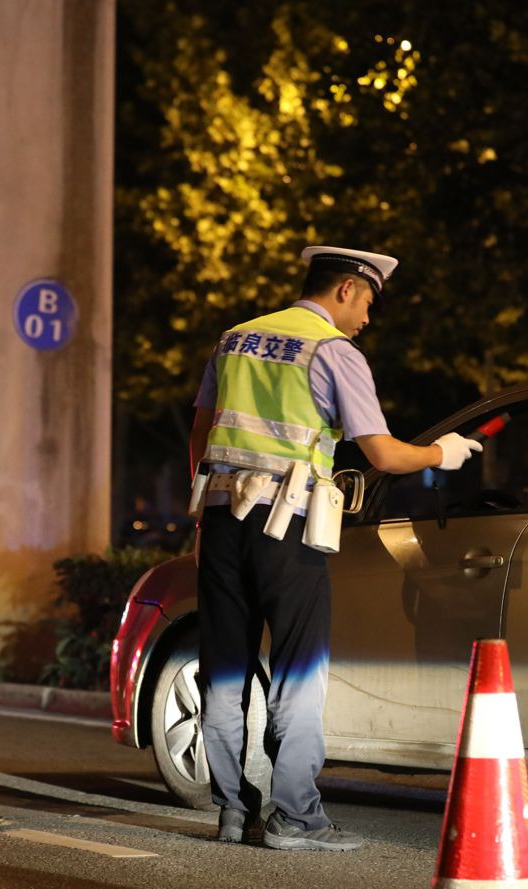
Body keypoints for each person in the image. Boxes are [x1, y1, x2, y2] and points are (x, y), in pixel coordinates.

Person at [187, 246, 482, 851]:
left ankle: (232, 811)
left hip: (220, 522)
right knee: (298, 673)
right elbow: (381, 453)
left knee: (223, 666)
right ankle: (295, 817)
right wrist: (440, 454)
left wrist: (209, 504)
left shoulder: (235, 339)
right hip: (287, 528)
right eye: (369, 301)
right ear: (347, 288)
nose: (368, 318)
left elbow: (201, 431)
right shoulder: (334, 352)